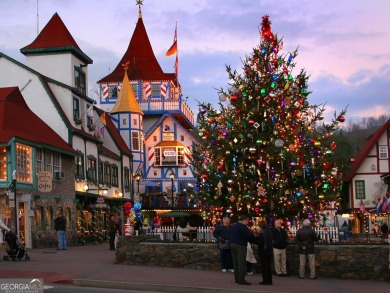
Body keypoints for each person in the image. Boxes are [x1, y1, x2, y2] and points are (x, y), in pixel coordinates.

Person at [229, 214, 255, 285]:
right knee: (241, 262)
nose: (248, 222)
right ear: (244, 220)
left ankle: (237, 278)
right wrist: (252, 234)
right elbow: (248, 236)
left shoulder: (233, 226)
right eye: (247, 221)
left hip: (232, 244)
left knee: (235, 262)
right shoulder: (243, 226)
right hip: (240, 245)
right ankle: (241, 279)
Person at [256, 220, 273, 285]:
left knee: (264, 267)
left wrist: (256, 239)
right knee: (268, 266)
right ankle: (269, 280)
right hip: (269, 251)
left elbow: (260, 242)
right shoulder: (269, 232)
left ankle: (265, 280)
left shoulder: (262, 233)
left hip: (263, 251)